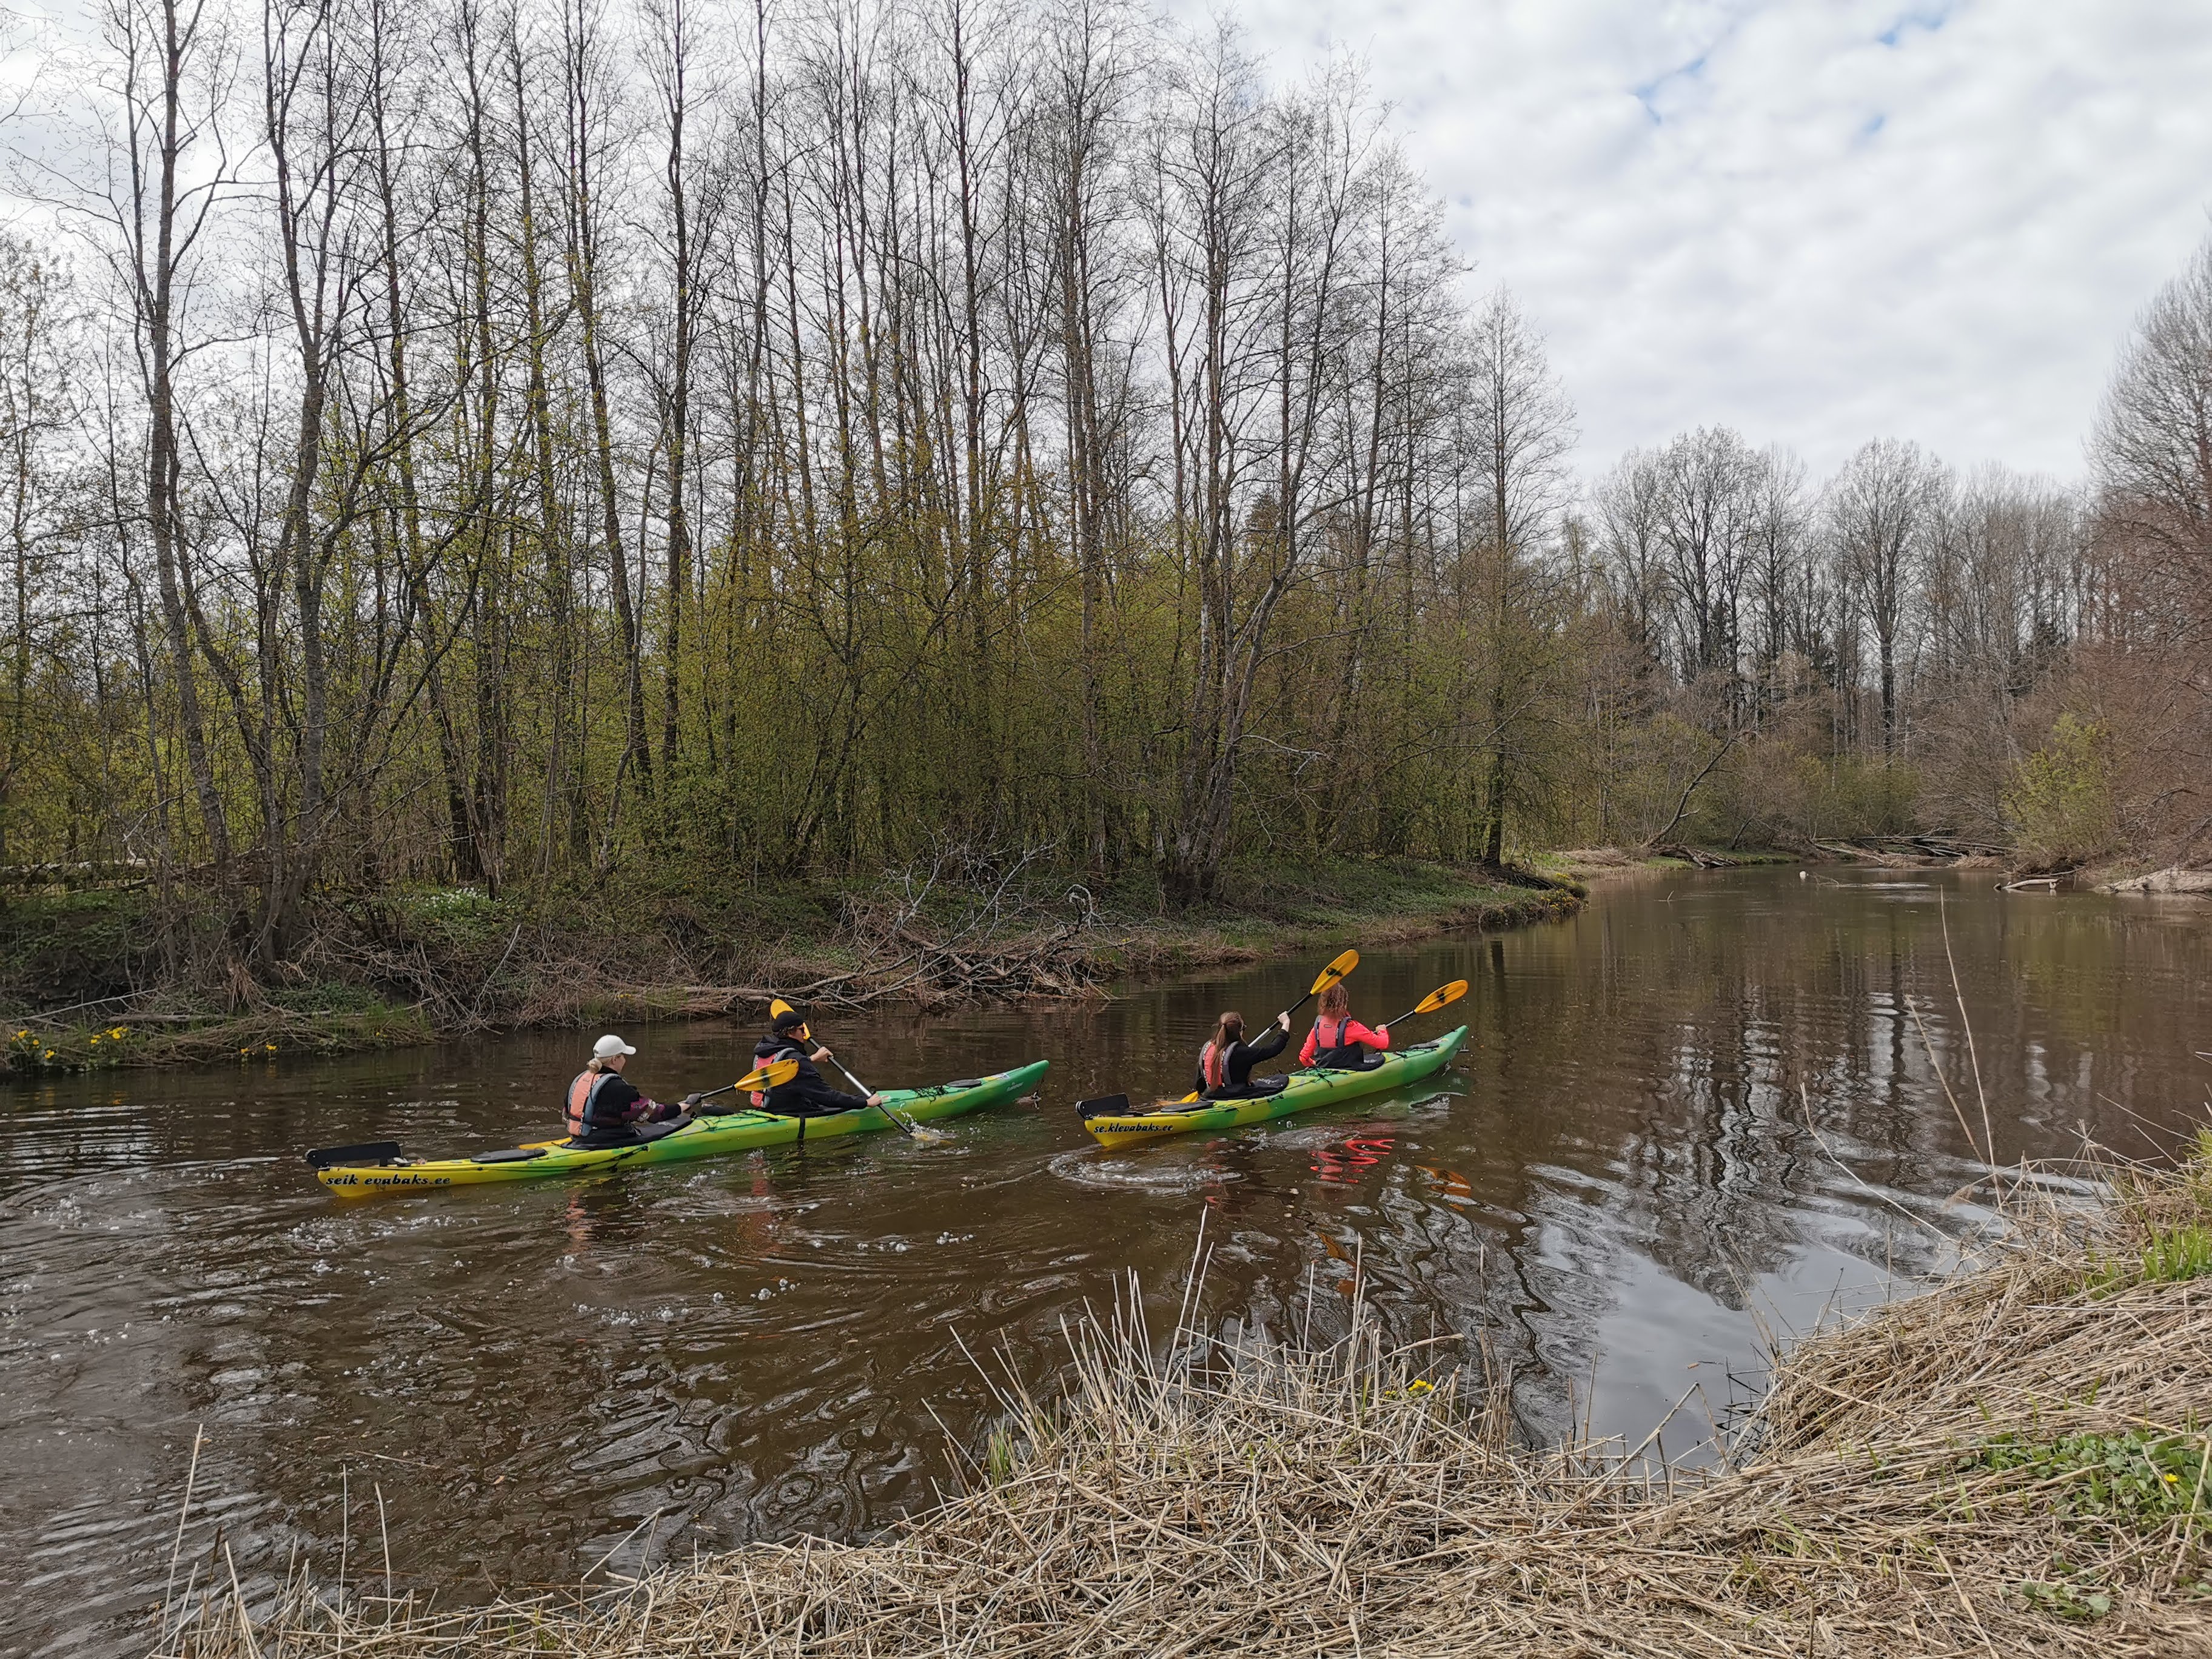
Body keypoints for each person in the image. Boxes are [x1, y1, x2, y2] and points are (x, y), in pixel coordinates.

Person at [752, 1007, 886, 1118]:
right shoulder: (797, 1062)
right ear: (791, 1032)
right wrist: (865, 1102)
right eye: (802, 1030)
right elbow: (828, 1097)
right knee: (840, 1104)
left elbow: (784, 1072)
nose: (805, 1034)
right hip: (791, 1112)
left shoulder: (766, 1048)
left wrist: (811, 1059)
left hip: (769, 1108)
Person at [563, 1034, 688, 1147]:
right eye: (623, 1056)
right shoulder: (617, 1088)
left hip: (579, 1139)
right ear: (614, 1060)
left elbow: (566, 1114)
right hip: (605, 1142)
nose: (625, 1060)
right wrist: (683, 1106)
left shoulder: (579, 1080)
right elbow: (654, 1114)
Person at [1193, 1010, 1291, 1101]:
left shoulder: (1208, 1047)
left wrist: (1202, 1097)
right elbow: (1273, 1049)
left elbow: (1200, 1085)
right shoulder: (1241, 1052)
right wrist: (1285, 1023)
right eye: (1243, 1028)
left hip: (1210, 1094)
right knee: (1281, 1080)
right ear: (1239, 1032)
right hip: (1234, 1096)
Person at [1299, 982, 1390, 1070]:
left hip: (1324, 1069)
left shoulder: (1317, 1028)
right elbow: (1383, 1043)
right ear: (1344, 1003)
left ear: (1323, 1003)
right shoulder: (1352, 1027)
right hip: (1351, 1069)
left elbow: (1303, 1057)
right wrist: (1382, 1031)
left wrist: (1314, 1065)